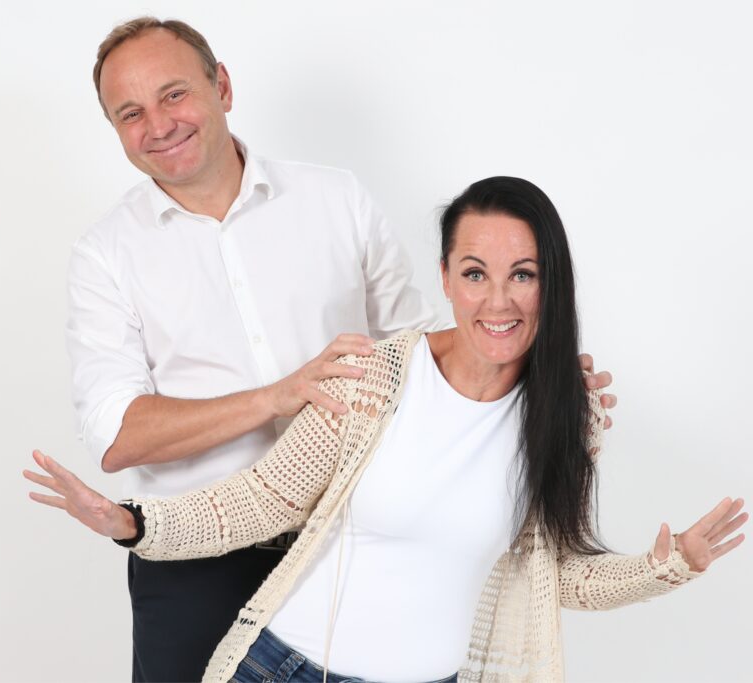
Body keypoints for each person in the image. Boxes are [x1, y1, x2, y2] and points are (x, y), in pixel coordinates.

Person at [71, 17, 616, 681]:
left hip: (347, 546)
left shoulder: (335, 199)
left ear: (223, 87)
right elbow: (118, 435)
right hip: (191, 560)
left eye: (174, 94)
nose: (159, 124)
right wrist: (274, 398)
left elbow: (428, 352)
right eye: (130, 113)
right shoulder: (106, 254)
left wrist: (540, 370)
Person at [31, 176, 746, 682]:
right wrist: (132, 521)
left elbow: (552, 574)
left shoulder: (566, 416)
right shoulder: (374, 378)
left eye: (523, 275)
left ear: (552, 282)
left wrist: (670, 563)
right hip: (287, 670)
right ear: (446, 277)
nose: (497, 300)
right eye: (475, 273)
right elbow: (262, 500)